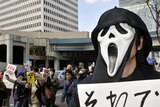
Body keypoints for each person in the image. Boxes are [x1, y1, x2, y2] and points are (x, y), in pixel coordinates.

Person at [69, 7, 160, 107]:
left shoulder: (156, 83)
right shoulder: (83, 92)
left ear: (140, 43)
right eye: (104, 33)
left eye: (123, 31)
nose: (112, 36)